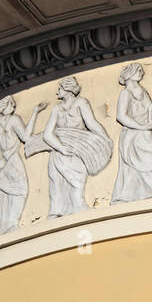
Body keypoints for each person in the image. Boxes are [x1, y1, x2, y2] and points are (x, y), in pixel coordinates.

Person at [39, 76, 112, 216]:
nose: (56, 93)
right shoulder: (66, 106)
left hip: (69, 150)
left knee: (68, 183)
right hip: (69, 150)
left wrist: (104, 139)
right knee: (63, 183)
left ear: (67, 89)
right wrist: (62, 148)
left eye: (59, 89)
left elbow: (91, 124)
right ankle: (65, 210)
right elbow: (47, 135)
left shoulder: (76, 104)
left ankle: (65, 211)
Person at [0, 95, 44, 236]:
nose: (14, 106)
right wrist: (34, 113)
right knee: (19, 191)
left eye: (14, 104)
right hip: (11, 163)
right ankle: (10, 225)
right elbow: (26, 137)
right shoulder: (12, 120)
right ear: (5, 106)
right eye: (11, 104)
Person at [112, 63, 152, 202]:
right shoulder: (126, 93)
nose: (141, 73)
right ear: (129, 74)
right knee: (132, 166)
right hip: (132, 134)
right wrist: (140, 126)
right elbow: (121, 116)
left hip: (144, 133)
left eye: (141, 70)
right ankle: (133, 194)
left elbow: (151, 110)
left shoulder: (142, 91)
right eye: (137, 71)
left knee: (150, 160)